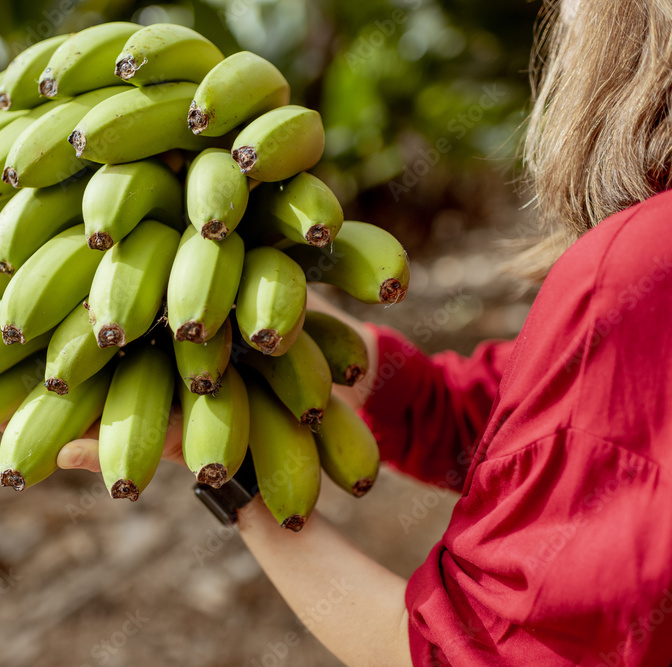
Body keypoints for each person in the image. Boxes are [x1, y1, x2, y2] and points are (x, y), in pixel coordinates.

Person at [53, 1, 672, 664]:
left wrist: (236, 485)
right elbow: (547, 426)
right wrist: (316, 344)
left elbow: (477, 652)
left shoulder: (640, 263)